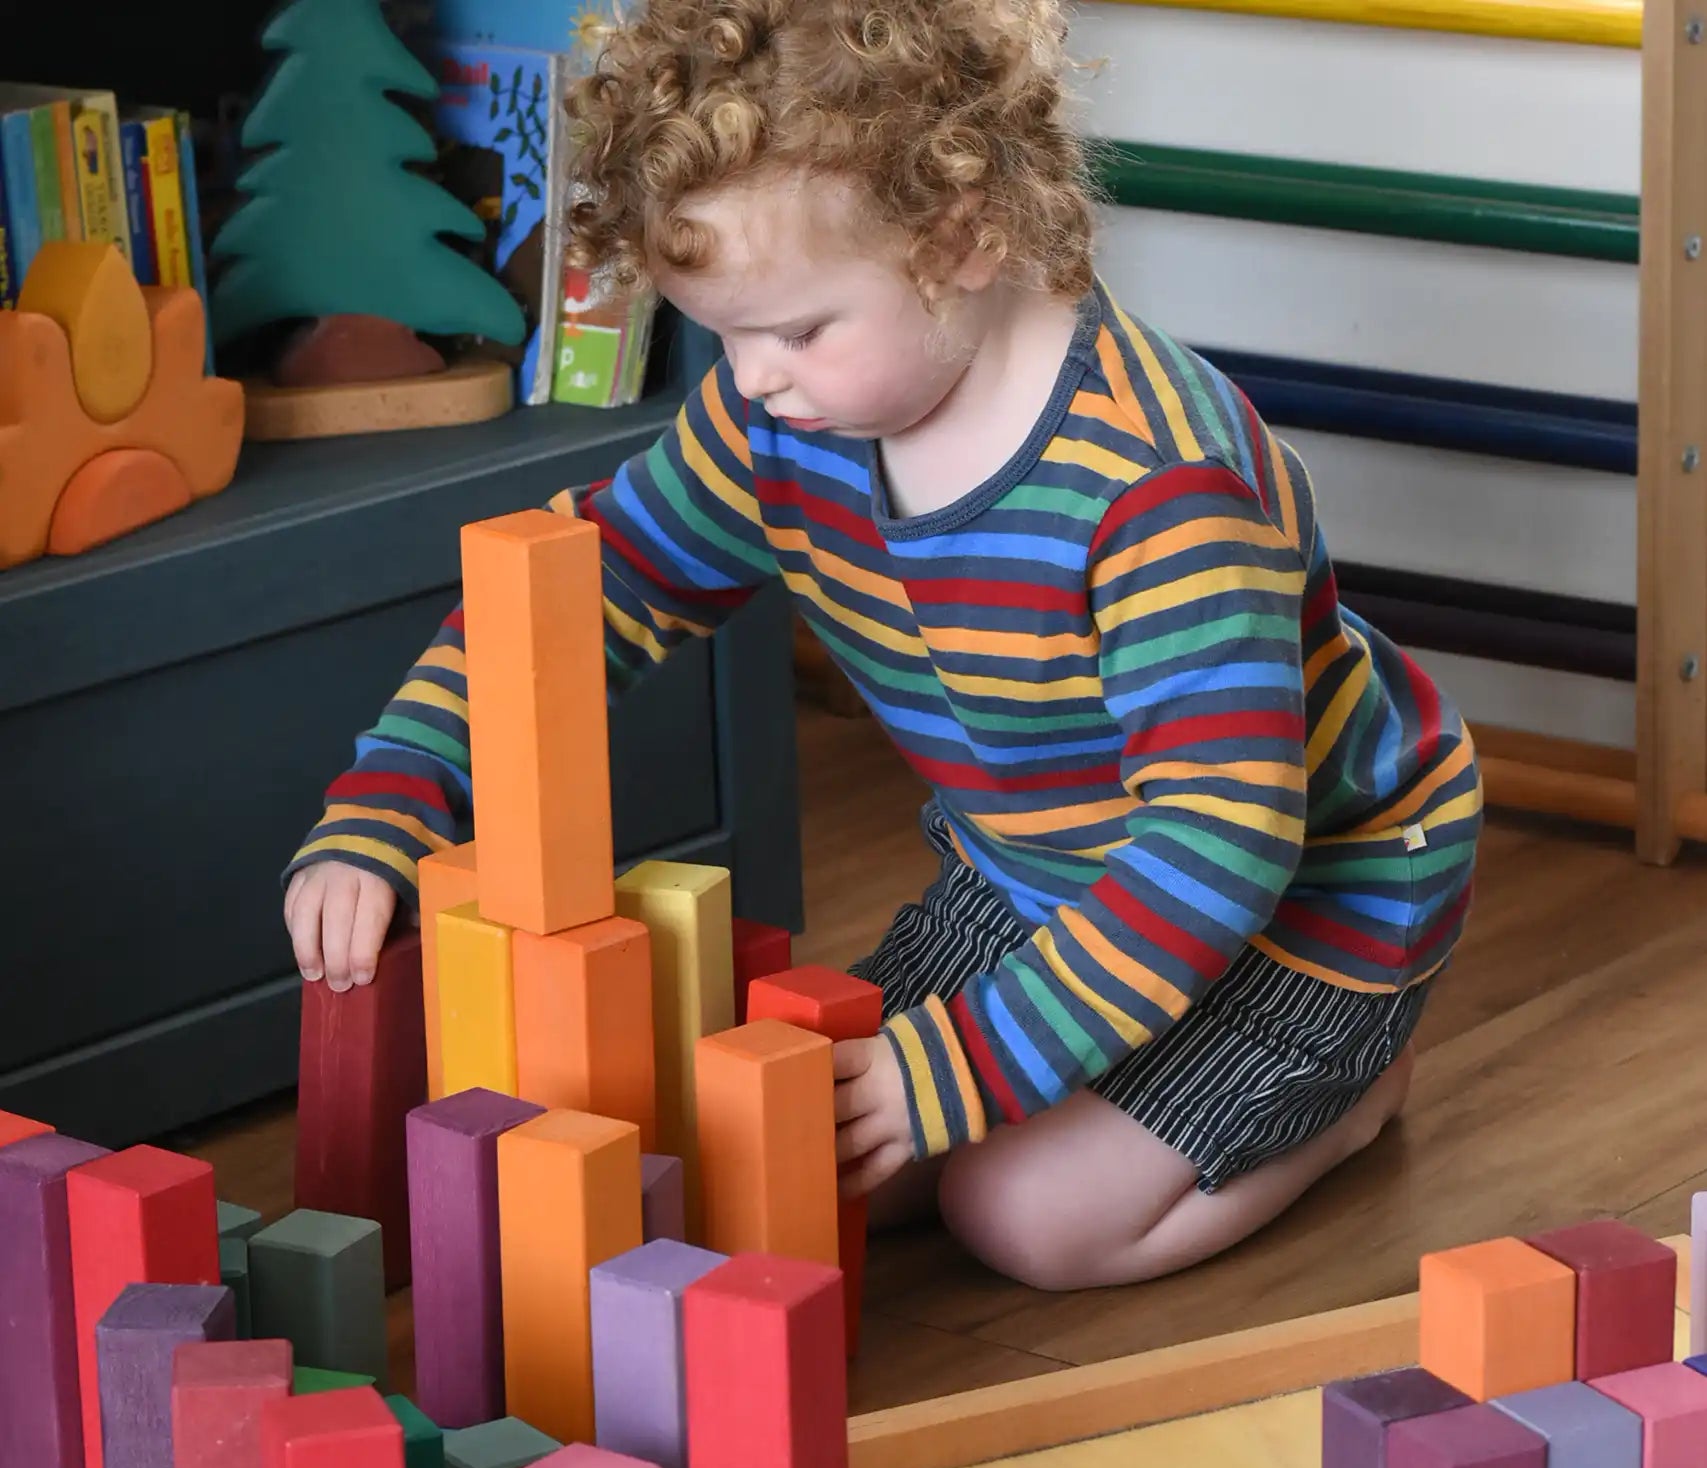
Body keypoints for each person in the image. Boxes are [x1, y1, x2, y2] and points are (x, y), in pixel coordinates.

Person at [284, 0, 1481, 1293]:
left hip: (1304, 901)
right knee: (795, 1139)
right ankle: (1103, 1074)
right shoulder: (783, 423)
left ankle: (1350, 1092)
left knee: (1024, 1214)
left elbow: (1222, 841)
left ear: (960, 238)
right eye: (724, 332)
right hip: (1040, 875)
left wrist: (954, 1069)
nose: (748, 380)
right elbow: (577, 589)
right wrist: (395, 795)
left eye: (795, 331)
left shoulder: (1155, 484)